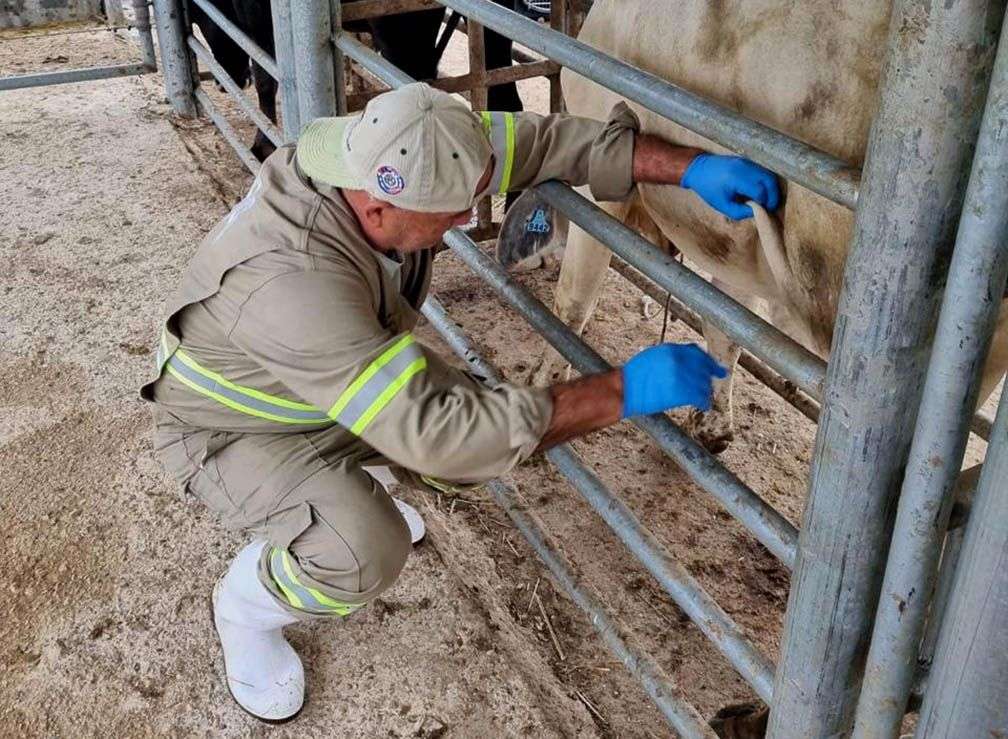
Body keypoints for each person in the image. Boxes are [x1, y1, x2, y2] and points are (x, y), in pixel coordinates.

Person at [142, 82, 780, 722]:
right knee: (367, 546)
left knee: (479, 432)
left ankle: (349, 483)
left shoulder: (401, 148)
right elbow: (446, 436)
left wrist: (687, 168)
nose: (467, 221)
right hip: (234, 427)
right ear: (379, 212)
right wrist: (623, 390)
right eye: (452, 214)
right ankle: (246, 609)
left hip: (313, 383)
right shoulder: (293, 281)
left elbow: (537, 143)